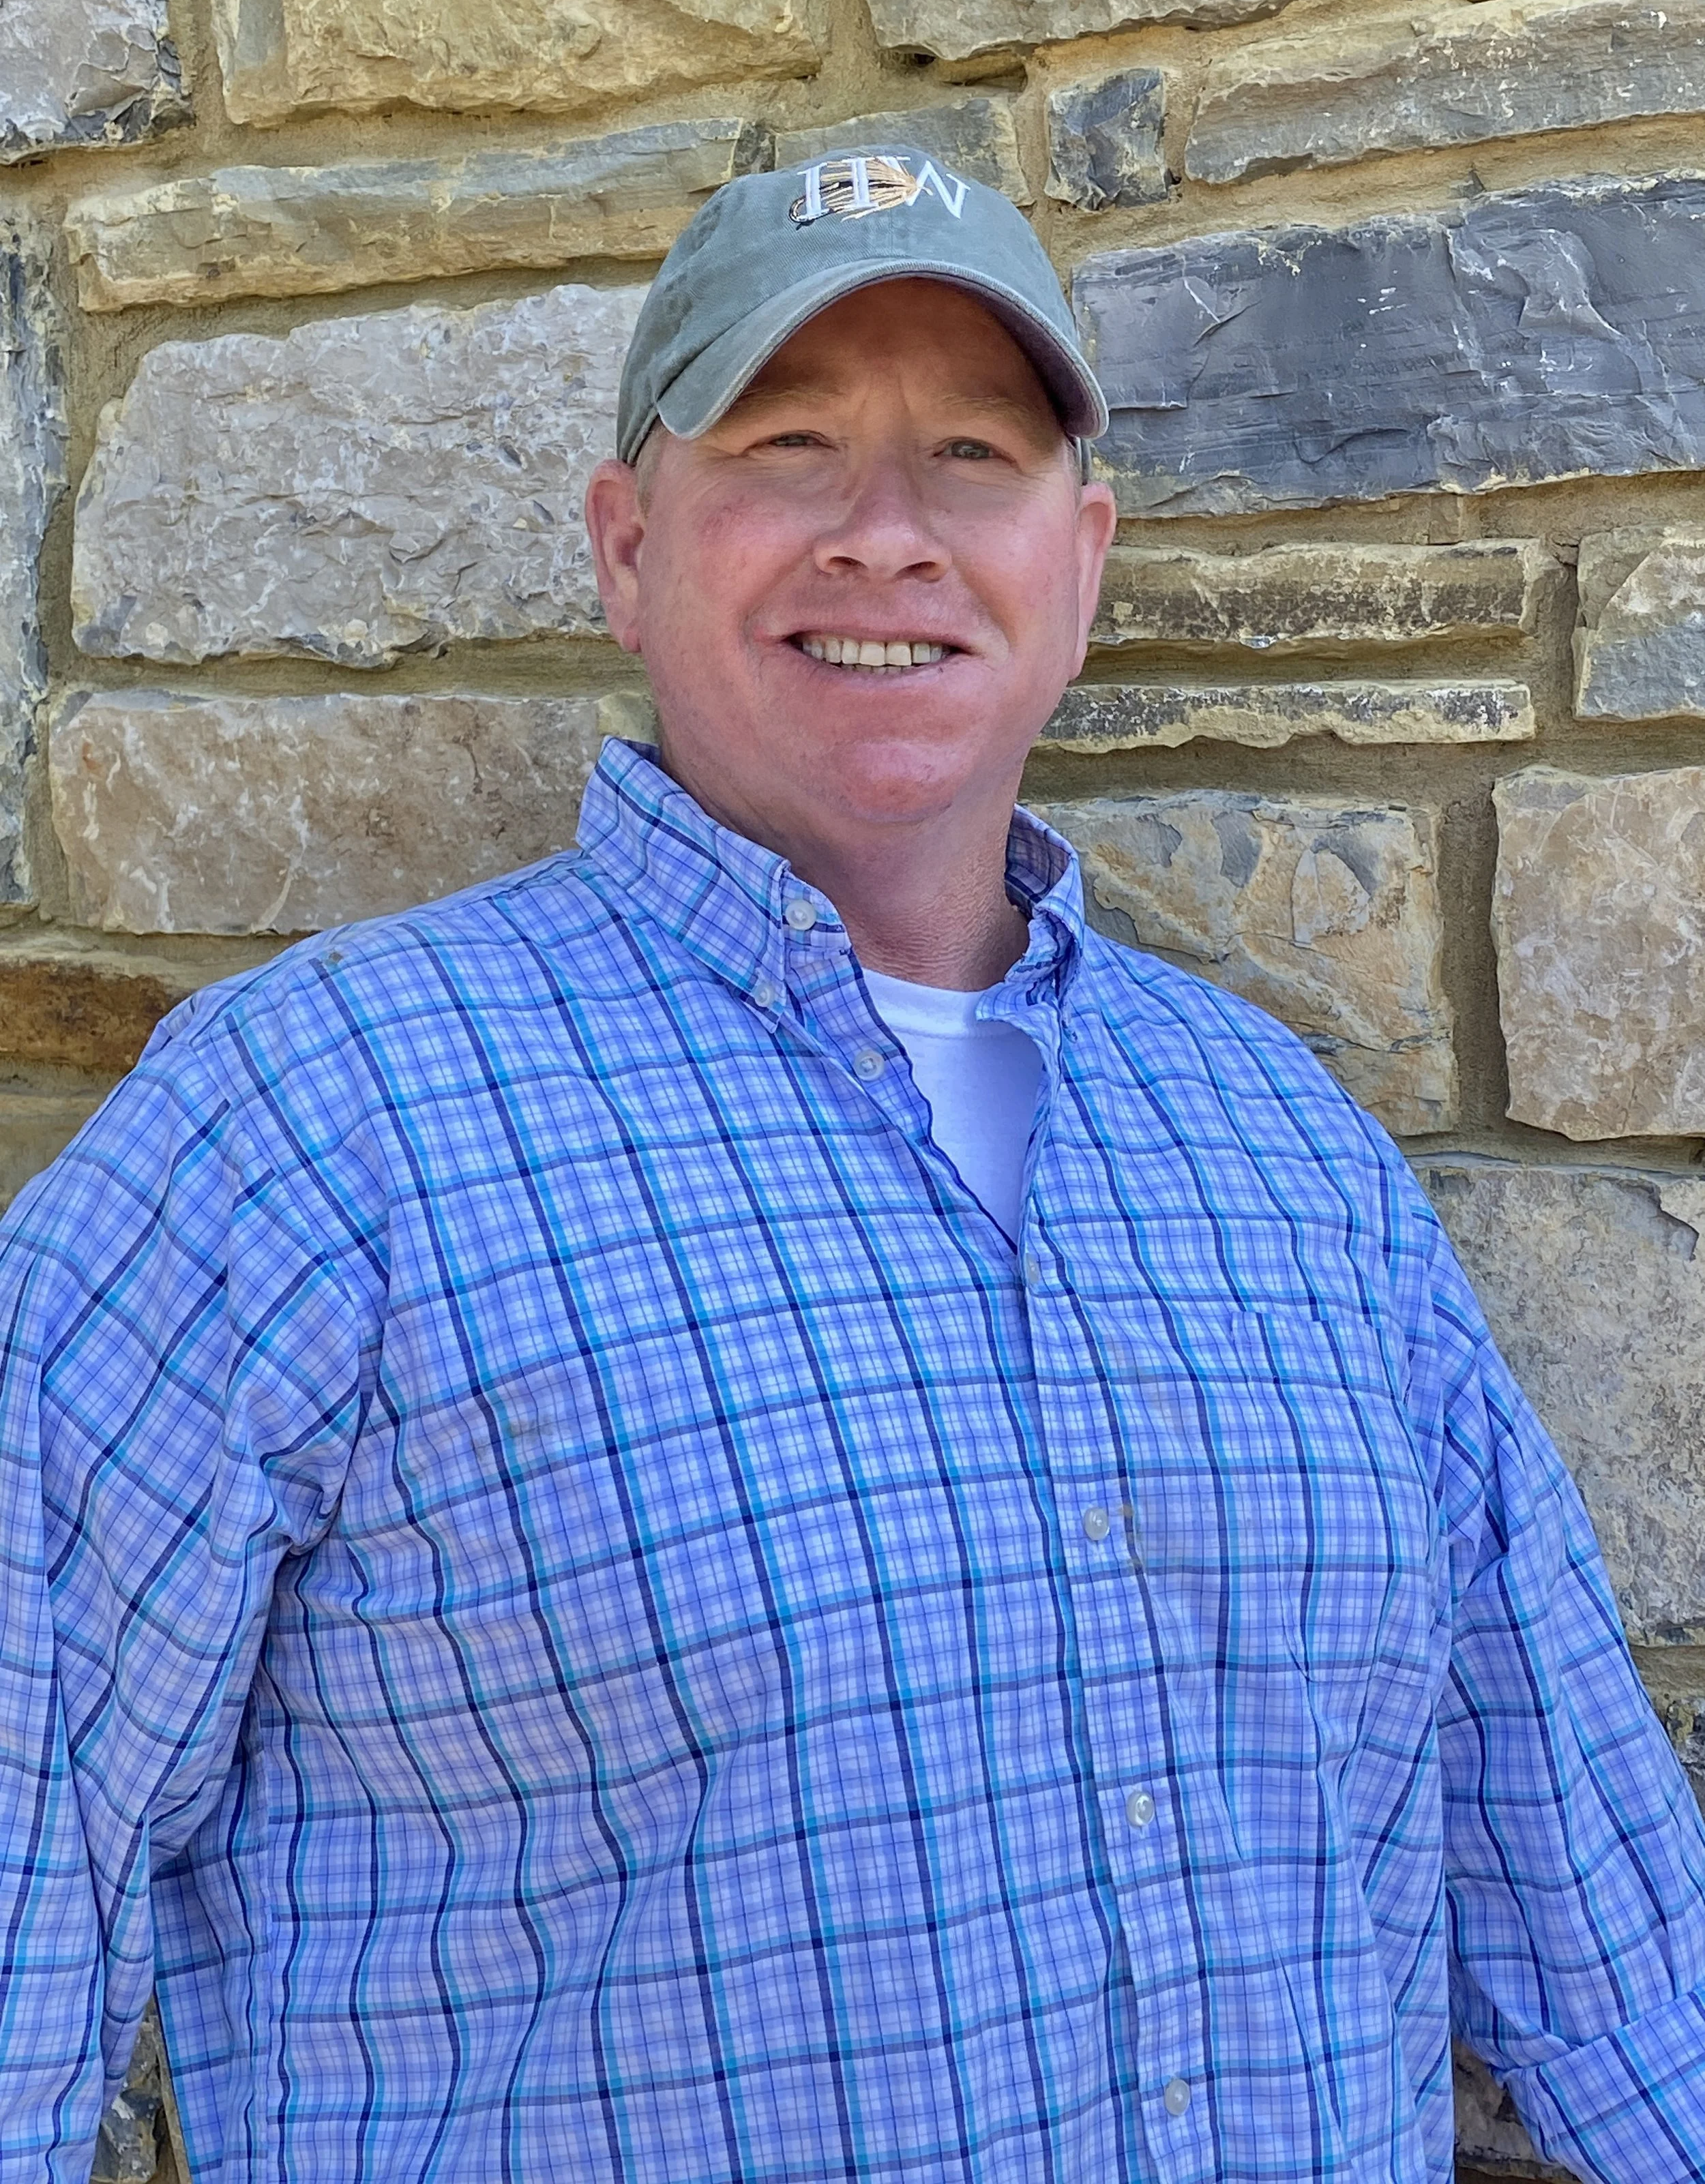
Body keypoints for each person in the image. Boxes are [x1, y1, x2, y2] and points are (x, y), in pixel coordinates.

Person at [0, 149, 1700, 2184]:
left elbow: (1583, 1875)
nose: (885, 536)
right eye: (788, 442)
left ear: (1077, 560)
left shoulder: (1281, 1147)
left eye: (969, 453)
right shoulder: (308, 1122)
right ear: (628, 547)